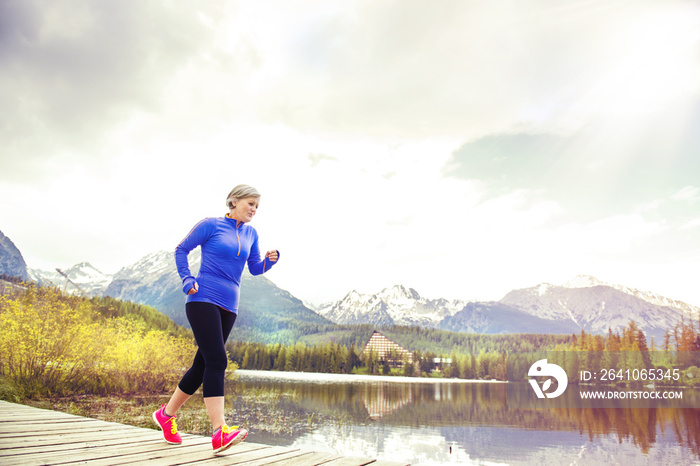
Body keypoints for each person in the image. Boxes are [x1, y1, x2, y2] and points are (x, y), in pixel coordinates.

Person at [152, 184, 279, 453]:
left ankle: (166, 415)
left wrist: (270, 261)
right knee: (218, 360)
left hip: (229, 306)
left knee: (202, 366)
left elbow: (255, 269)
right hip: (202, 298)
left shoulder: (251, 234)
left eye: (257, 206)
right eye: (250, 204)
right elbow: (181, 249)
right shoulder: (211, 225)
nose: (254, 210)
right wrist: (187, 278)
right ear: (233, 202)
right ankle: (219, 430)